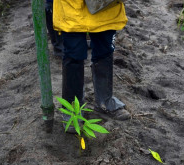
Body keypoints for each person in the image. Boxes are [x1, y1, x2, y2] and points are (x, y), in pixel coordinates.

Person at [53, 0, 129, 131]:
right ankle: (73, 109)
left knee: (105, 50)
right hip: (71, 8)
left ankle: (105, 101)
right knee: (73, 55)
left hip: (106, 6)